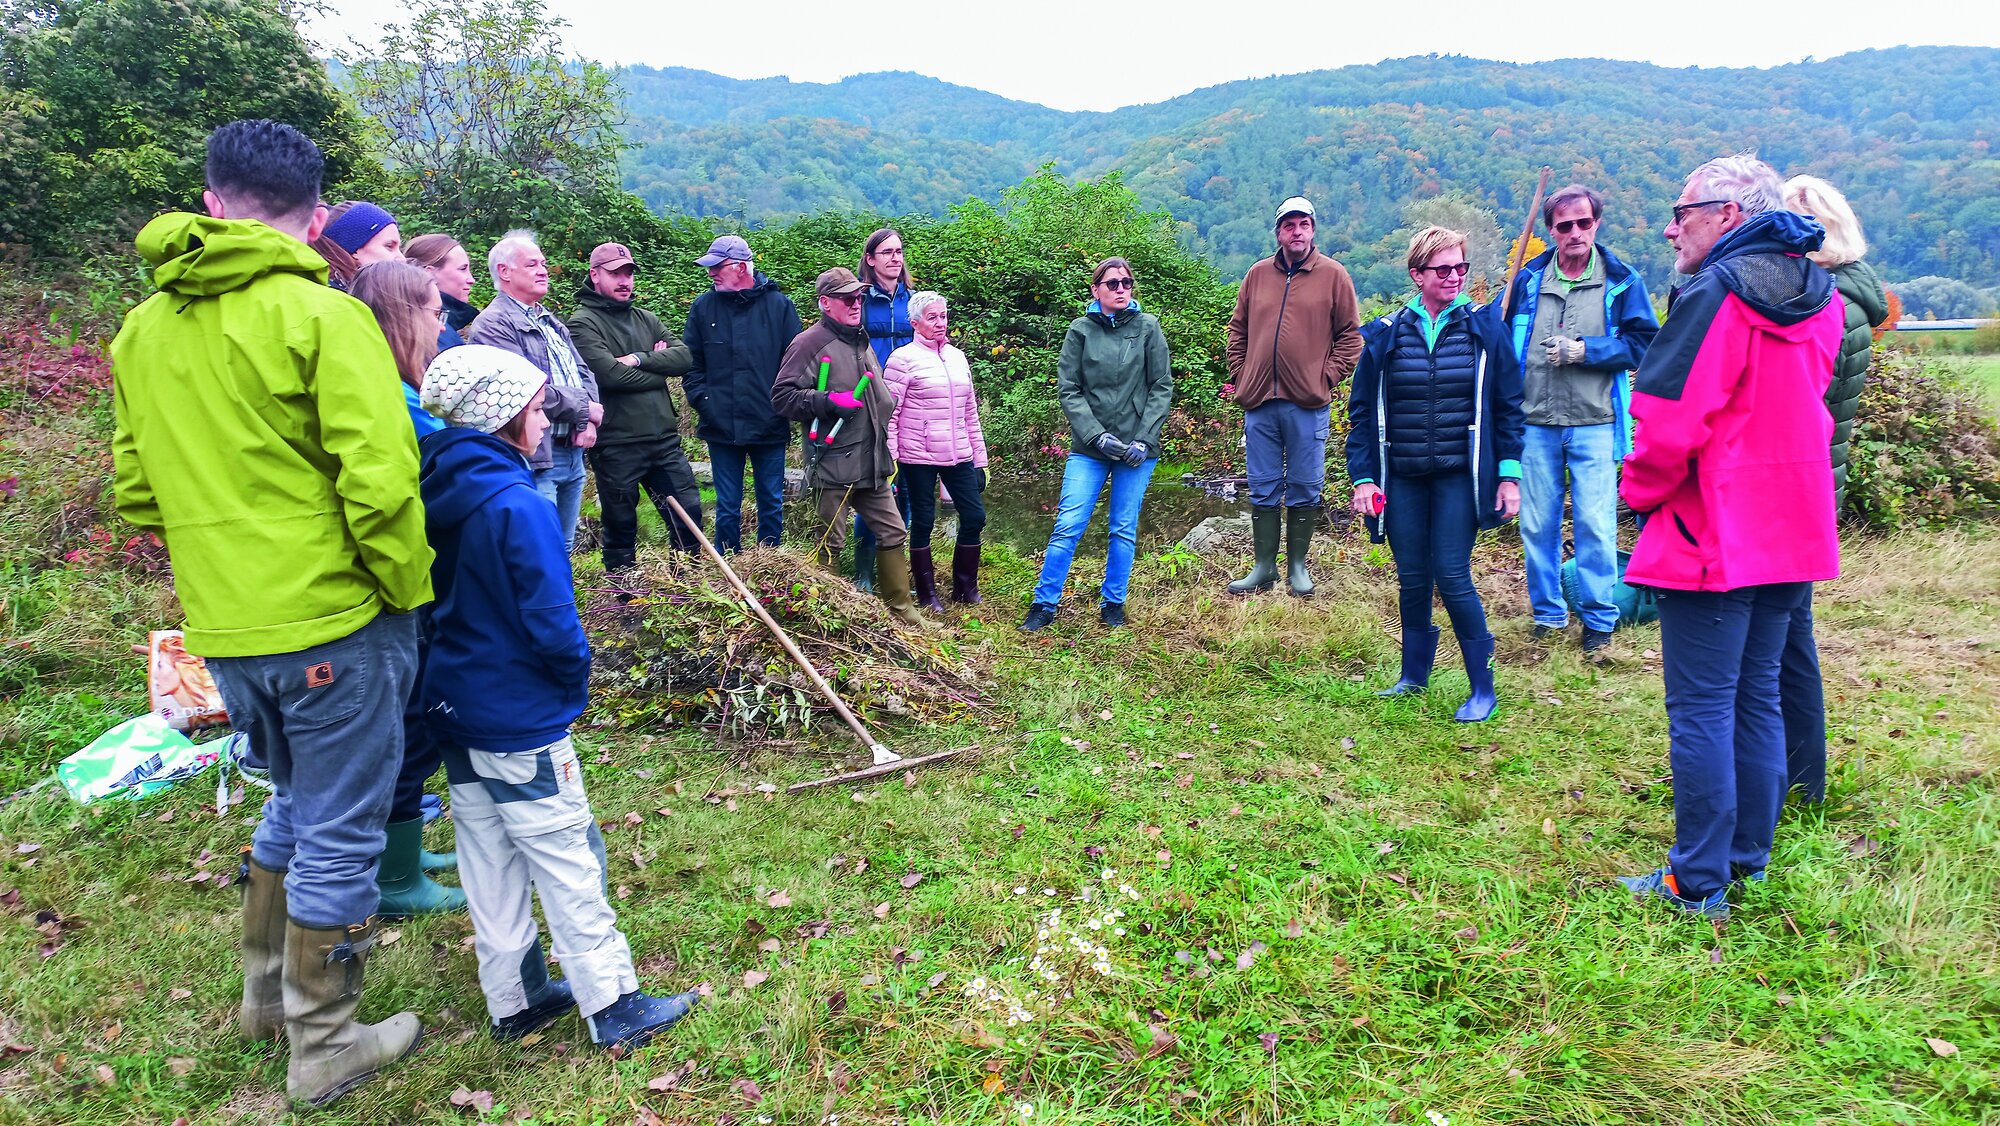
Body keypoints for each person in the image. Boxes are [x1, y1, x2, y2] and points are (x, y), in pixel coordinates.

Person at [110, 119, 431, 1106]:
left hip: (227, 629)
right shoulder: (323, 317)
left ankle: (265, 999)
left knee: (294, 799)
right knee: (342, 826)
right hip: (332, 620)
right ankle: (326, 1041)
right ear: (318, 215)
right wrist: (402, 591)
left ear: (210, 202)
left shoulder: (141, 330)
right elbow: (380, 481)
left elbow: (135, 490)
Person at [416, 344, 702, 1051]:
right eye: (536, 407)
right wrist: (571, 685)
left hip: (454, 703)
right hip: (516, 713)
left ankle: (516, 999)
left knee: (487, 854)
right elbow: (553, 620)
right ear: (504, 415)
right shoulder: (518, 507)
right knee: (568, 850)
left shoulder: (437, 488)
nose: (546, 420)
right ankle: (613, 1003)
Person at [1617, 154, 1845, 918]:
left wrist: (1639, 492)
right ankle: (1748, 860)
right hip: (1792, 524)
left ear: (1731, 215)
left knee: (1705, 706)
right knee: (1757, 697)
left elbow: (1673, 418)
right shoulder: (1821, 294)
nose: (1673, 225)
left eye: (1686, 211)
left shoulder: (1716, 290)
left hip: (1714, 527)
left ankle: (1696, 880)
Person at [1346, 226, 1525, 723]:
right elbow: (1362, 413)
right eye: (1442, 269)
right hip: (1402, 475)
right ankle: (1413, 676)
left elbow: (1509, 407)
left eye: (1460, 269)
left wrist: (1508, 475)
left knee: (1450, 573)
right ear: (1417, 275)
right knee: (1412, 577)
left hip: (1457, 477)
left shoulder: (1485, 330)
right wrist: (1364, 478)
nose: (1454, 277)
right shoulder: (1385, 335)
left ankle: (1481, 688)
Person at [345, 261, 468, 917]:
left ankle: (405, 852)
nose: (442, 323)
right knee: (407, 724)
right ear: (401, 318)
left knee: (411, 724)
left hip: (413, 578)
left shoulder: (403, 391)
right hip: (405, 583)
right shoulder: (397, 401)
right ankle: (395, 882)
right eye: (433, 311)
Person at [1502, 184, 1661, 654]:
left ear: (1596, 224)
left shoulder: (1621, 281)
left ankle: (1598, 619)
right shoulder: (1528, 279)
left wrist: (1586, 351)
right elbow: (1499, 333)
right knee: (1537, 522)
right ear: (1550, 230)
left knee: (1594, 522)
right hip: (1534, 421)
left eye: (1583, 223)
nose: (1574, 233)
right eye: (1564, 225)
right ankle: (1548, 615)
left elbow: (1644, 345)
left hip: (1595, 421)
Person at [1778, 175, 1888, 804]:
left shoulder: (1829, 308)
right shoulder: (1848, 300)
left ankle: (1801, 778)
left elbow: (1799, 404)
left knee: (1788, 640)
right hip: (1819, 481)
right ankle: (1799, 774)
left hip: (1801, 485)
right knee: (1792, 632)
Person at [1020, 258, 1174, 632]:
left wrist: (1144, 438)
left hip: (1137, 450)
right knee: (1068, 523)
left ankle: (1113, 605)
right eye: (1112, 284)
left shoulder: (1148, 328)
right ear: (1096, 290)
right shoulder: (1080, 330)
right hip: (1090, 448)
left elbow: (1161, 386)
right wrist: (1095, 434)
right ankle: (1044, 604)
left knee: (1123, 526)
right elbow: (1069, 389)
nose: (1121, 289)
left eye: (1127, 282)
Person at [1224, 195, 1363, 599]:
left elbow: (1351, 337)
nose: (1296, 231)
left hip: (1308, 402)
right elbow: (1238, 331)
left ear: (1313, 229)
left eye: (1303, 224)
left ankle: (1297, 567)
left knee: (1305, 485)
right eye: (1289, 225)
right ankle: (1264, 567)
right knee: (1263, 486)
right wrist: (1241, 372)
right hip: (1259, 402)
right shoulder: (1257, 275)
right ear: (1279, 232)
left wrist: (1326, 377)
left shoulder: (1334, 275)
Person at [770, 268, 923, 627]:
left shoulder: (859, 338)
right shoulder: (808, 343)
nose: (857, 304)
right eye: (848, 299)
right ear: (825, 304)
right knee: (831, 540)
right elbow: (782, 397)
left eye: (859, 297)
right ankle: (829, 617)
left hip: (872, 460)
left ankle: (902, 612)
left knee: (893, 530)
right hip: (832, 460)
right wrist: (827, 401)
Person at [566, 241, 705, 585]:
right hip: (617, 443)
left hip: (664, 441)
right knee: (621, 524)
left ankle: (685, 592)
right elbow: (609, 375)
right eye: (616, 273)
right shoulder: (582, 323)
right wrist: (659, 367)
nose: (625, 280)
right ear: (595, 275)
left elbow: (685, 358)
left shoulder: (646, 318)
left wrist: (639, 358)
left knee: (688, 515)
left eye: (628, 273)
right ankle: (624, 599)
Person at [466, 229, 602, 551]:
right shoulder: (493, 323)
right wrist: (586, 409)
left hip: (571, 452)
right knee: (540, 551)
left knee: (564, 549)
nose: (543, 270)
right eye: (532, 265)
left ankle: (565, 602)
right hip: (535, 457)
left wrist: (586, 420)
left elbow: (583, 372)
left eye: (543, 263)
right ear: (504, 272)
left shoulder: (549, 320)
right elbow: (523, 388)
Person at [684, 235, 802, 553]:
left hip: (770, 424)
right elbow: (691, 365)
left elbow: (797, 365)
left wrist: (782, 406)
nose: (710, 273)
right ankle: (728, 576)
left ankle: (769, 571)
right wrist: (706, 404)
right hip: (721, 427)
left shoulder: (779, 306)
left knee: (771, 506)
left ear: (739, 267)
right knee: (727, 509)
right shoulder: (703, 307)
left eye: (717, 266)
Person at [882, 290, 989, 609]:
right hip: (917, 455)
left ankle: (965, 587)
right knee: (924, 521)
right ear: (915, 322)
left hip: (959, 453)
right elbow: (890, 414)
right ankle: (928, 594)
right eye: (933, 317)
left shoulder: (957, 357)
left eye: (943, 316)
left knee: (975, 516)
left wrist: (979, 460)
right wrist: (891, 459)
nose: (940, 322)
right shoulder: (902, 359)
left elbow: (970, 410)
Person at [849, 227, 917, 591]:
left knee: (904, 488)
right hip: (871, 404)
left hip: (911, 406)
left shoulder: (914, 301)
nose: (895, 257)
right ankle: (862, 574)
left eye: (899, 251)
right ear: (870, 259)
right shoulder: (859, 300)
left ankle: (894, 569)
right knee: (875, 487)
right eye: (887, 252)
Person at [405, 232, 481, 349]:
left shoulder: (440, 325)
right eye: (462, 269)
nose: (471, 280)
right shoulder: (431, 331)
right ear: (428, 273)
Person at [310, 200, 404, 290]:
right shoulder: (336, 300)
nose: (402, 259)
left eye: (399, 248)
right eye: (389, 246)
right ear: (354, 249)